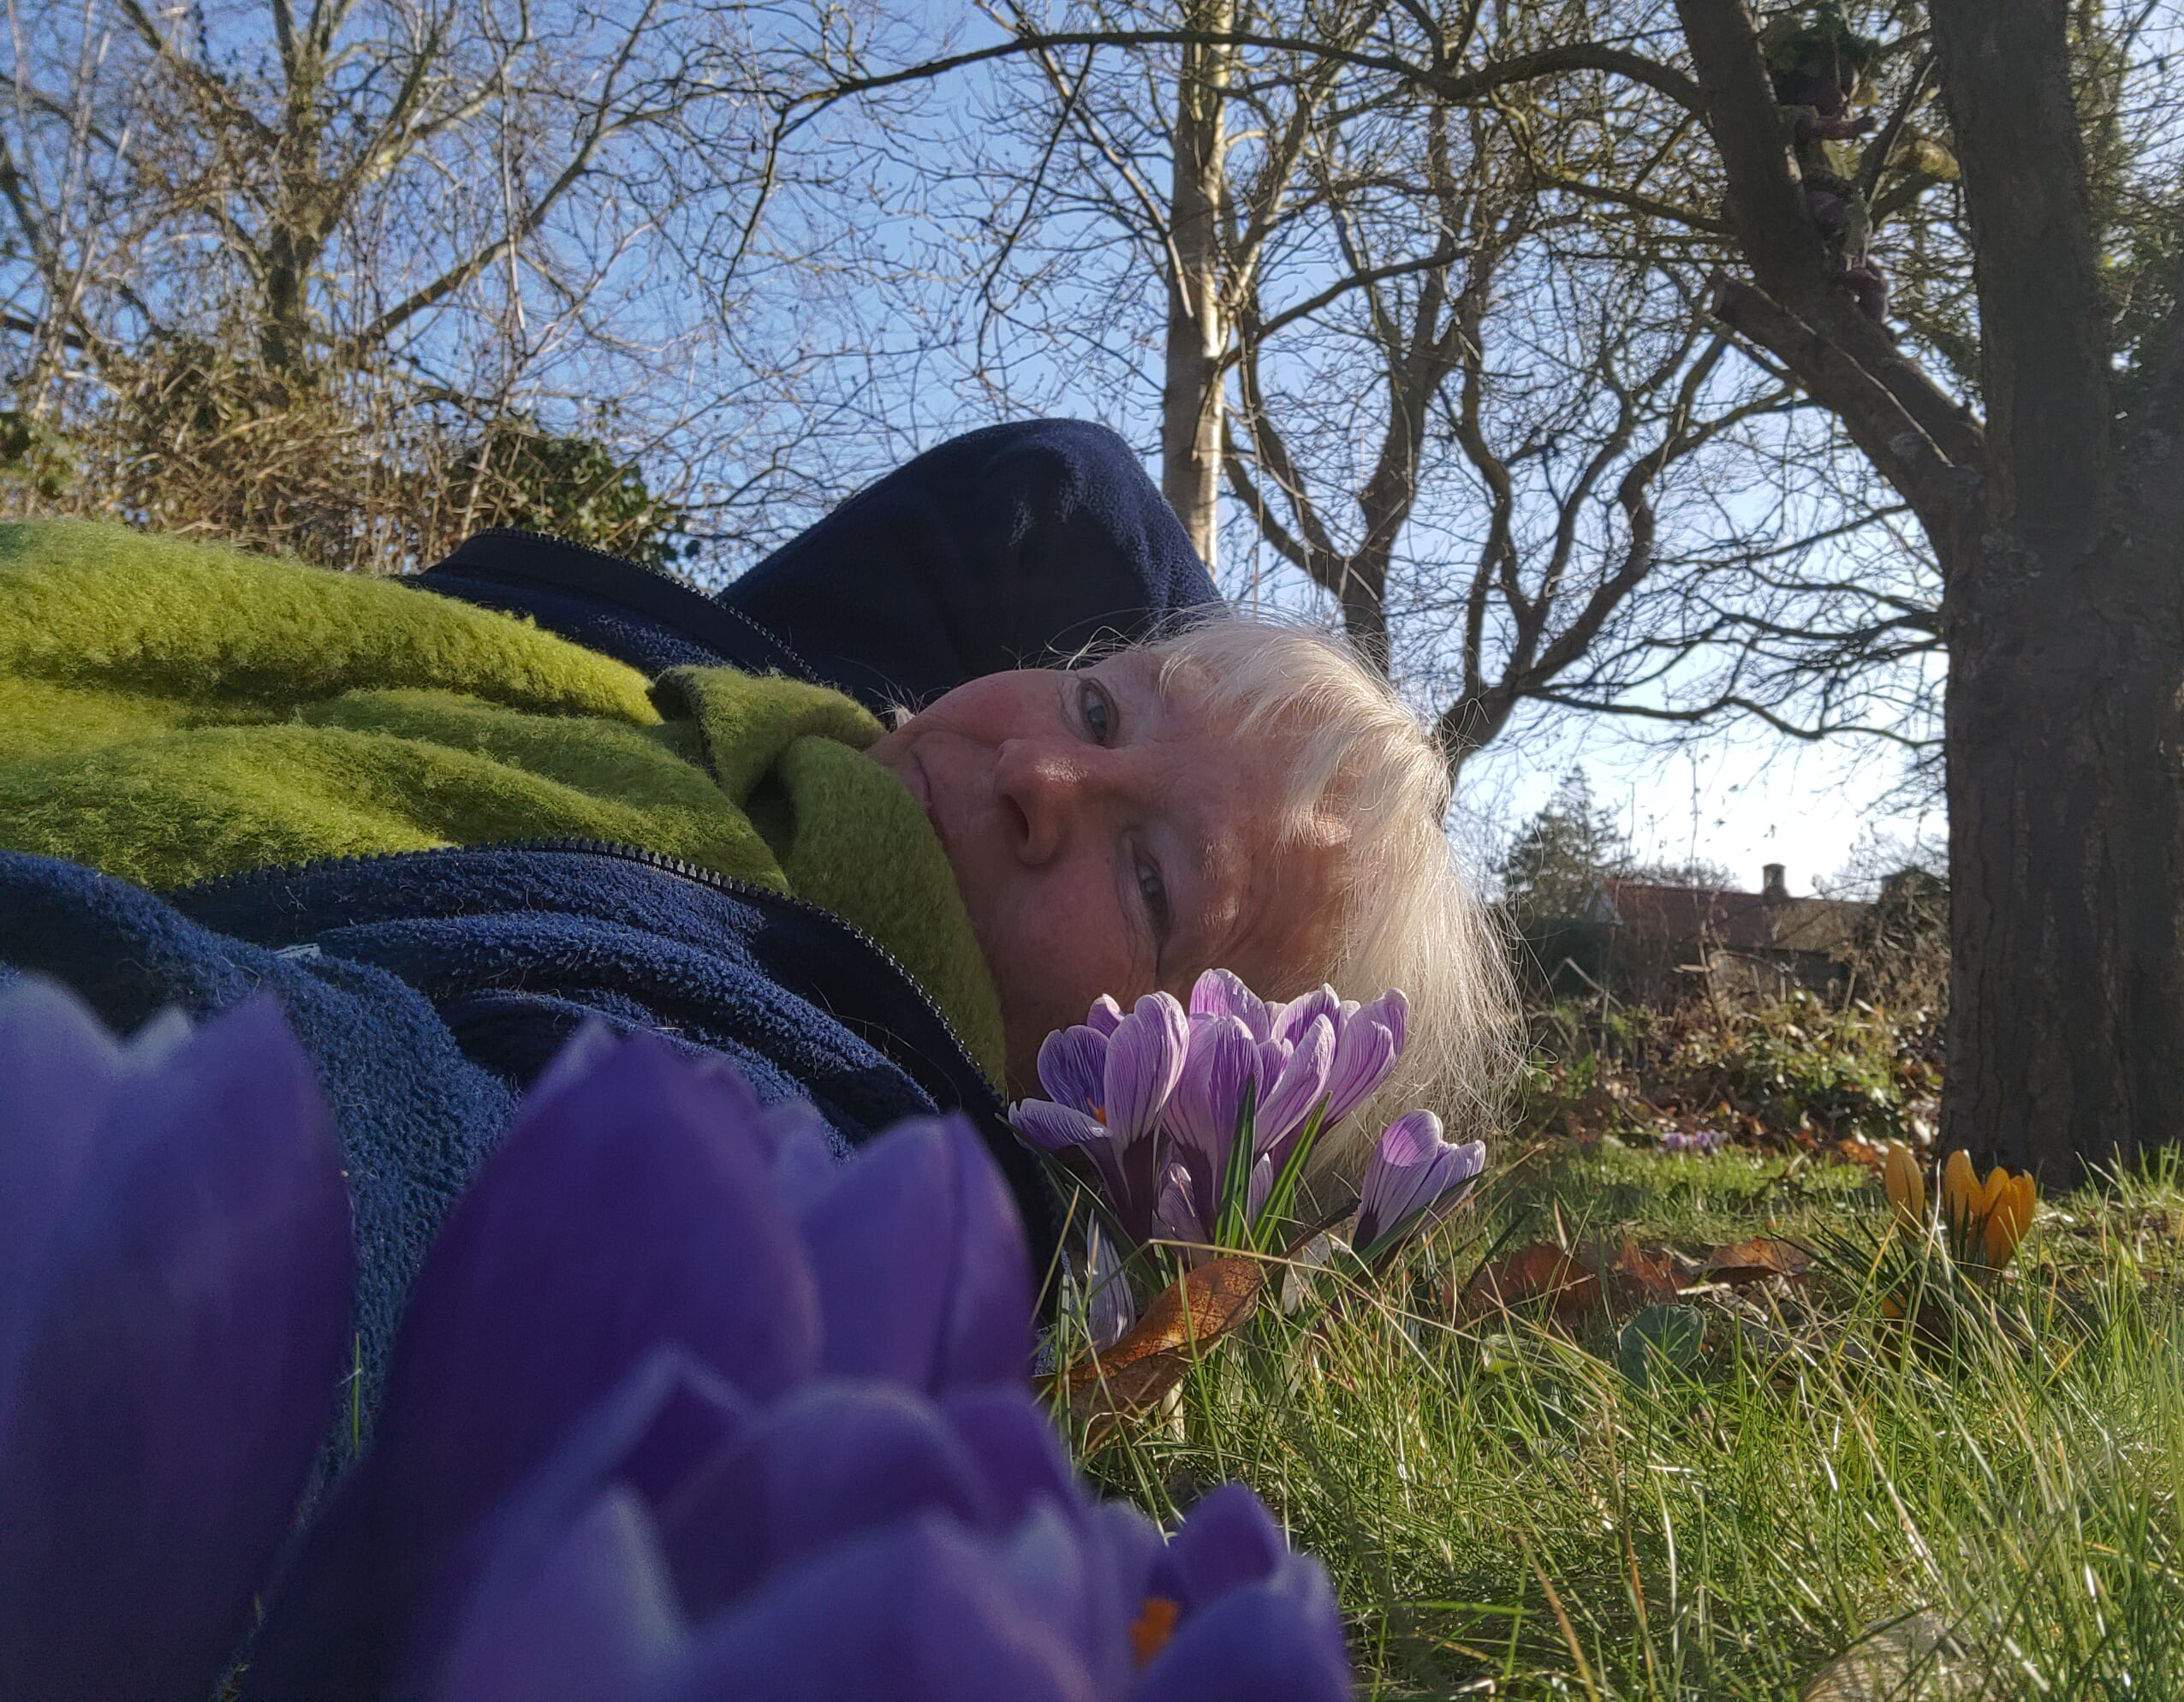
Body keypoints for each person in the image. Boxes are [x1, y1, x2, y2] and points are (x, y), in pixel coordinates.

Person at [0, 418, 1512, 1390]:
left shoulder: (828, 1087)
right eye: (1101, 706)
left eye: (1152, 878)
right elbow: (1064, 496)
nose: (1041, 773)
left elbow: (396, 1191)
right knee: (1085, 477)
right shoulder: (807, 721)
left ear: (1163, 1155)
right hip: (660, 678)